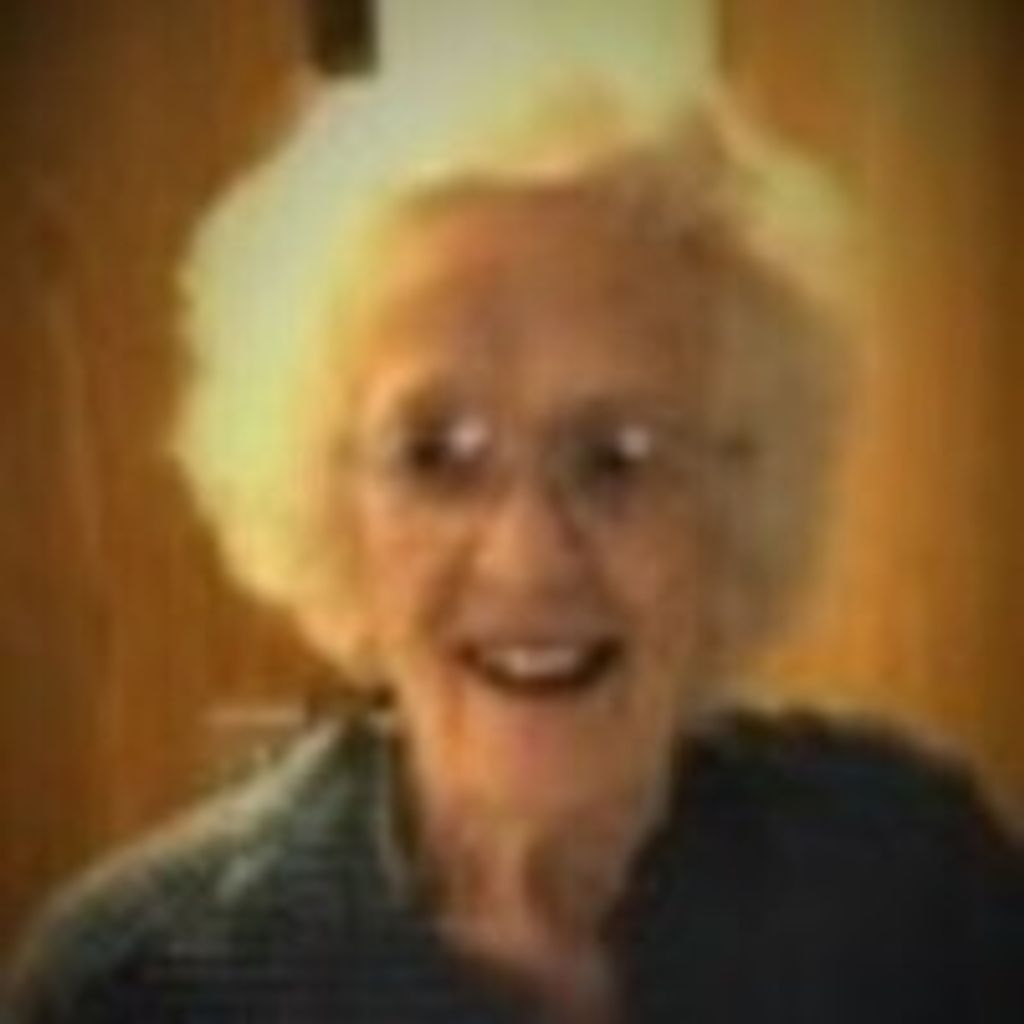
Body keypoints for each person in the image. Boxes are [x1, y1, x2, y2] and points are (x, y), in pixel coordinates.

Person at [6, 5, 1022, 1022]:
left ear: (735, 497)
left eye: (617, 457)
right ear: (330, 505)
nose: (528, 557)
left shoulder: (911, 881)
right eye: (435, 456)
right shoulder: (141, 986)